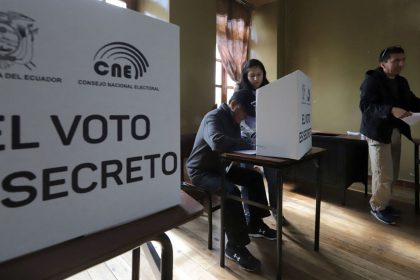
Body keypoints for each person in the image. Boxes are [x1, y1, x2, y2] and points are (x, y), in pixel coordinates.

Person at [186, 89, 276, 272]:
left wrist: (251, 142)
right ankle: (234, 246)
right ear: (233, 105)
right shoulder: (214, 117)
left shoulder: (234, 120)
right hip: (201, 171)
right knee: (231, 191)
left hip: (220, 167)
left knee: (254, 177)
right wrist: (247, 144)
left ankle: (255, 224)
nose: (244, 118)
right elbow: (217, 142)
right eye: (244, 113)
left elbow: (237, 141)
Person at [360, 46, 420, 225]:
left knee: (391, 172)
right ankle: (377, 207)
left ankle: (384, 203)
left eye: (403, 60)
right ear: (383, 63)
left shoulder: (401, 82)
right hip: (377, 132)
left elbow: (412, 101)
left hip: (395, 132)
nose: (401, 64)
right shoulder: (372, 80)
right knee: (383, 173)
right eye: (396, 61)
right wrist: (391, 110)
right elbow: (366, 107)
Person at [237, 59, 288, 225]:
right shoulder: (239, 94)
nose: (256, 78)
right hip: (247, 143)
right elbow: (238, 120)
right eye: (252, 75)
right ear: (246, 76)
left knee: (274, 179)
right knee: (247, 180)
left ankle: (277, 211)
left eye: (259, 74)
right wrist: (251, 134)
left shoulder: (270, 91)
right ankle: (248, 213)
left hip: (268, 141)